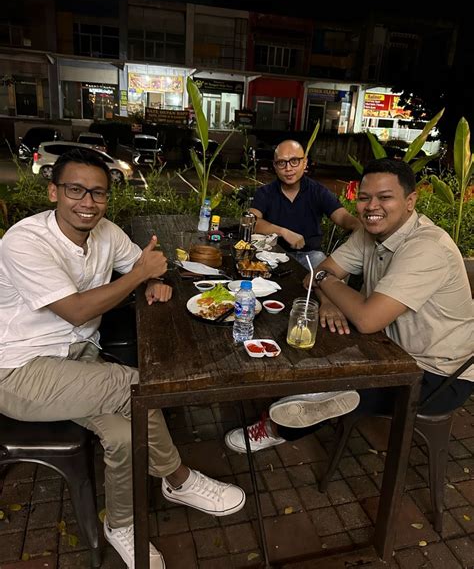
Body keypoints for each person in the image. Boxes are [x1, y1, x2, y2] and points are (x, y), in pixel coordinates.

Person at [0, 148, 245, 569]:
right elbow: (77, 310)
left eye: (98, 193)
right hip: (20, 371)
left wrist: (152, 281)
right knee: (140, 386)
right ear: (54, 192)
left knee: (124, 435)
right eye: (75, 190)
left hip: (80, 360)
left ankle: (121, 524)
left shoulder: (106, 233)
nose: (88, 202)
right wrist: (138, 277)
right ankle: (178, 478)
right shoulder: (25, 241)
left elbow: (146, 265)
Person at [226, 158, 473, 453]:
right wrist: (328, 299)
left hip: (436, 374)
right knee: (308, 329)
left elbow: (365, 317)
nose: (371, 207)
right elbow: (314, 275)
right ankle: (321, 394)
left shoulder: (426, 247)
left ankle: (282, 423)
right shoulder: (369, 234)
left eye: (385, 197)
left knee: (329, 372)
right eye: (364, 197)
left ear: (410, 201)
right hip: (386, 348)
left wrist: (324, 280)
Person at [249, 139, 360, 268]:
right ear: (275, 166)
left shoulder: (318, 191)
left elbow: (342, 217)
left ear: (305, 162)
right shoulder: (265, 192)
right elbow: (251, 221)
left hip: (311, 255)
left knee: (326, 272)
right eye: (281, 163)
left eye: (294, 161)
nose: (288, 168)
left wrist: (360, 226)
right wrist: (283, 232)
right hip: (273, 254)